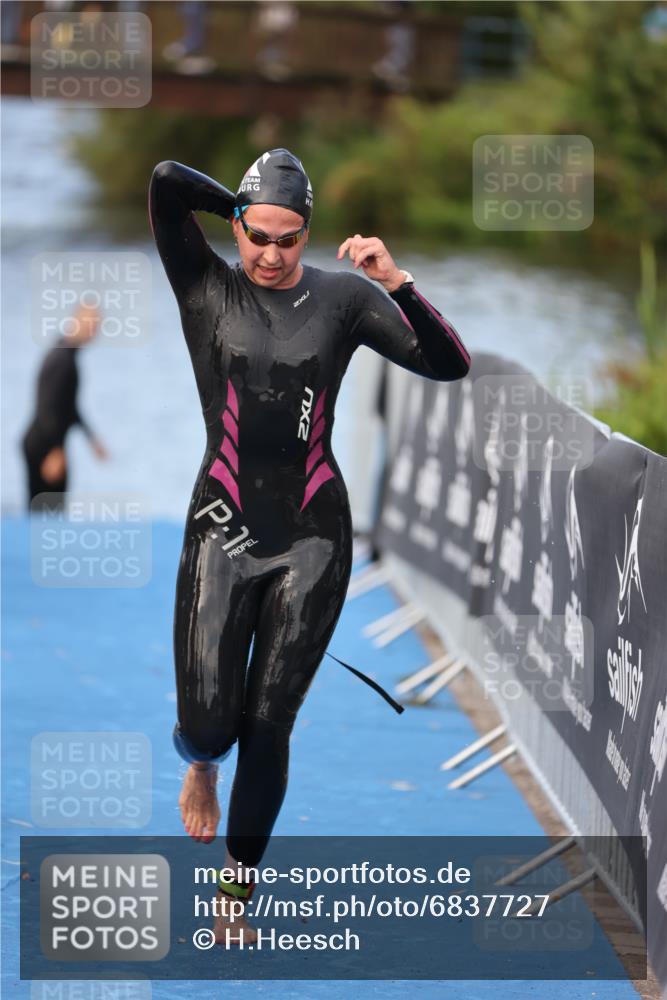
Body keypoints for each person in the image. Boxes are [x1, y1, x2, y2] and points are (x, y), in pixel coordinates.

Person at [148, 149, 470, 945]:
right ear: (238, 227)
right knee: (212, 727)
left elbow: (448, 365)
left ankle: (236, 888)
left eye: (287, 240)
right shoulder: (203, 282)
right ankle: (199, 762)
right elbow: (163, 181)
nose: (268, 253)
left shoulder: (345, 300)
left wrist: (397, 283)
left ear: (309, 237)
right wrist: (242, 201)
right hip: (220, 529)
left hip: (314, 539)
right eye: (256, 234)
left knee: (268, 723)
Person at [21, 304, 108, 511]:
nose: (94, 331)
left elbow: (69, 406)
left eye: (97, 326)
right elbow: (47, 406)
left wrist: (91, 438)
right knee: (45, 513)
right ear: (75, 321)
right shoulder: (61, 360)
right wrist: (55, 449)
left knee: (52, 512)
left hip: (46, 442)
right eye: (91, 324)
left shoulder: (66, 354)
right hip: (42, 445)